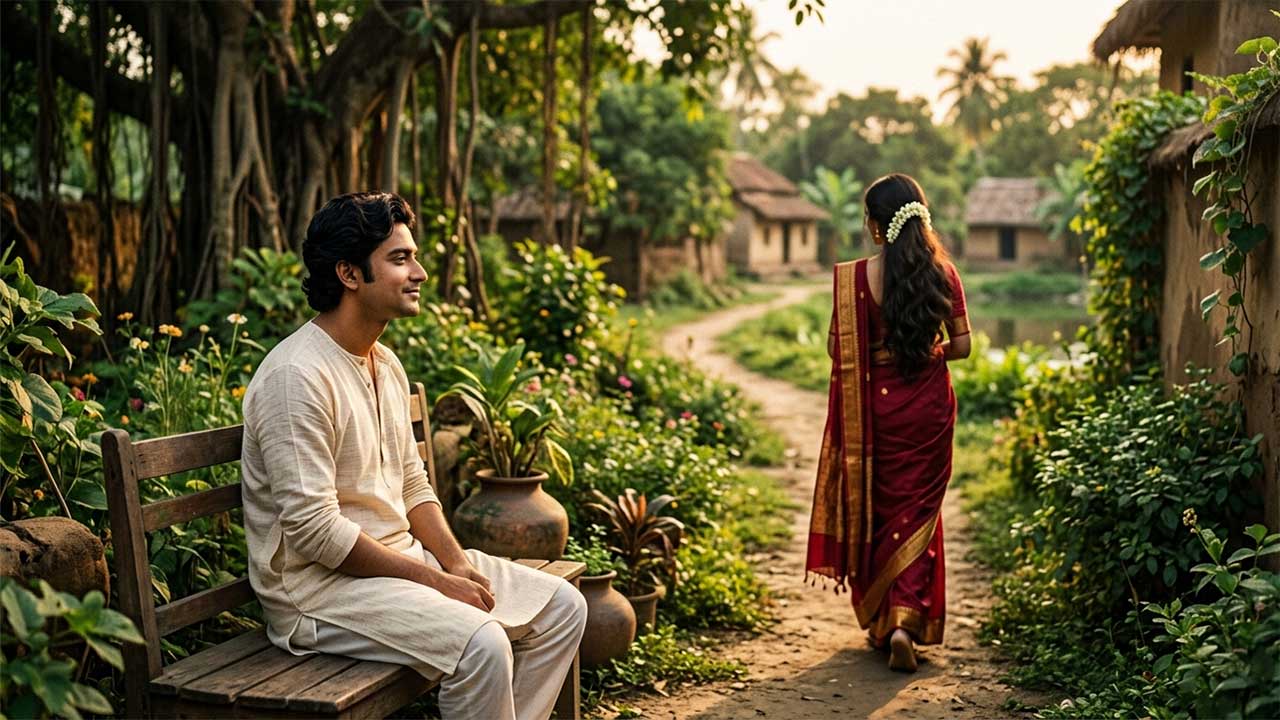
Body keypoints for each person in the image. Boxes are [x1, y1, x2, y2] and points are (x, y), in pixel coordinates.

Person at [240, 192, 587, 720]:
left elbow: (411, 486)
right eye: (400, 259)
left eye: (413, 256)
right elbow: (314, 531)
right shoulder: (297, 377)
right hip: (318, 594)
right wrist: (433, 581)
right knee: (483, 645)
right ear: (350, 274)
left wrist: (454, 562)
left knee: (562, 607)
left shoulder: (386, 363)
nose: (419, 272)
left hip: (397, 568)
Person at [805, 173, 970, 673]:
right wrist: (924, 349)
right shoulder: (944, 274)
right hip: (928, 412)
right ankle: (904, 623)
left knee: (879, 510)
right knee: (918, 515)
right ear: (921, 217)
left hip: (875, 415)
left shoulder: (855, 279)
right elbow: (961, 347)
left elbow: (838, 350)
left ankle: (884, 623)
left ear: (877, 227)